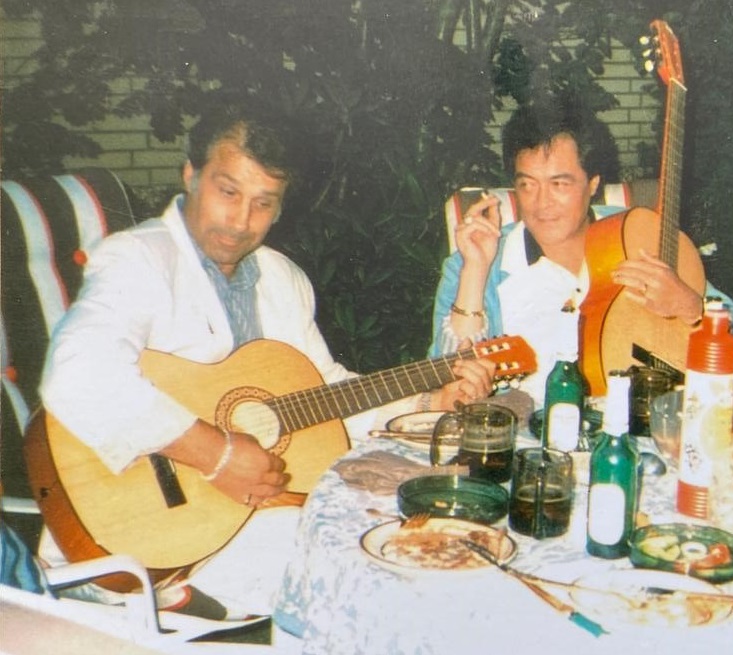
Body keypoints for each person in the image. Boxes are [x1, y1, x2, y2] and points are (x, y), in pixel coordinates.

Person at [39, 105, 495, 617]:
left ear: (280, 209)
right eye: (227, 192)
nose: (240, 221)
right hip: (136, 531)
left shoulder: (282, 278)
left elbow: (323, 390)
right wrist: (213, 454)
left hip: (242, 519)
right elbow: (78, 371)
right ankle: (192, 595)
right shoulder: (138, 259)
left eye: (263, 203)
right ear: (190, 176)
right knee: (360, 558)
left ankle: (214, 596)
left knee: (409, 531)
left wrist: (428, 399)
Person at [429, 96, 733, 404]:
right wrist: (476, 271)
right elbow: (443, 381)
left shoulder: (637, 236)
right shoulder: (476, 261)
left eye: (560, 184)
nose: (542, 204)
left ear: (593, 184)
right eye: (528, 185)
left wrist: (691, 307)